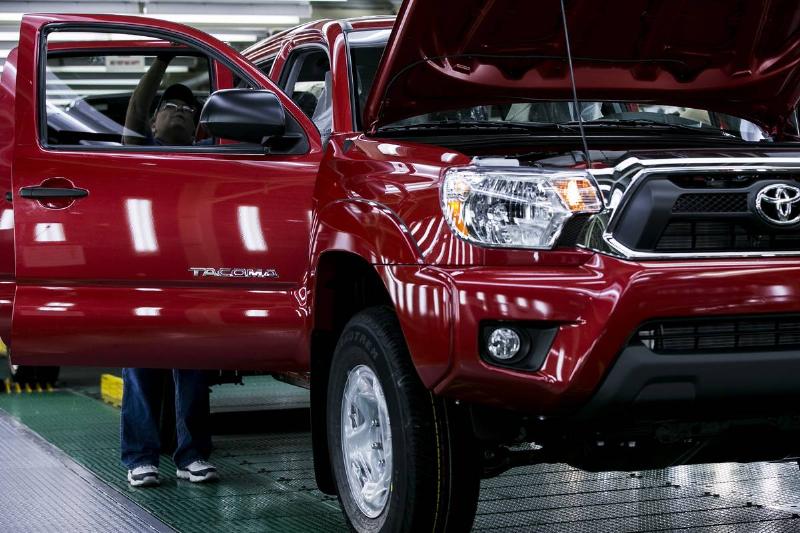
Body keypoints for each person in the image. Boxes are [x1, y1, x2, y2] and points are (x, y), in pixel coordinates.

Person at [121, 55, 217, 488]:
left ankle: (191, 455)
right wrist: (161, 63)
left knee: (194, 371)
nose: (178, 111)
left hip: (194, 274)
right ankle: (141, 458)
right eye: (169, 108)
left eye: (187, 110)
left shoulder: (208, 158)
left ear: (196, 127)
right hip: (144, 273)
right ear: (154, 124)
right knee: (141, 370)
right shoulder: (137, 151)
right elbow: (136, 109)